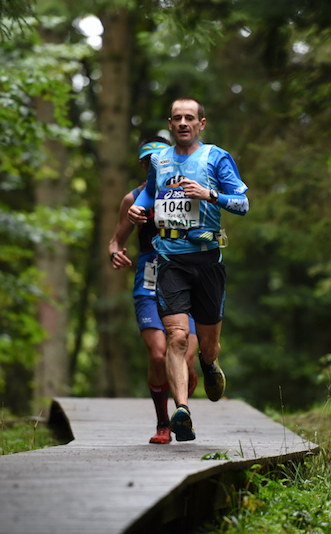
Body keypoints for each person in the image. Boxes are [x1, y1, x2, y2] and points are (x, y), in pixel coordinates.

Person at [127, 97, 249, 442]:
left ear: (201, 124)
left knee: (207, 346)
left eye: (189, 118)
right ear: (170, 123)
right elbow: (148, 196)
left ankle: (210, 365)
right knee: (177, 338)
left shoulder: (216, 157)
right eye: (177, 118)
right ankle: (182, 410)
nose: (183, 123)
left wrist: (209, 194)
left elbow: (242, 203)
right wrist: (138, 210)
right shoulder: (158, 160)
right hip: (170, 260)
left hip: (207, 259)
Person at [109, 136, 199, 445]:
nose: (153, 166)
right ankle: (164, 423)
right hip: (149, 279)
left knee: (186, 358)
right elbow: (115, 240)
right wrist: (115, 253)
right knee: (159, 355)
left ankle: (184, 399)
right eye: (148, 162)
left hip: (185, 276)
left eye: (158, 160)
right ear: (143, 166)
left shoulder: (190, 190)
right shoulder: (132, 199)